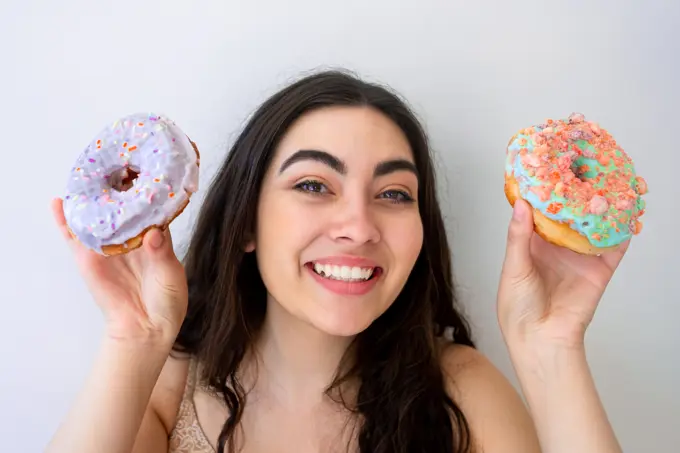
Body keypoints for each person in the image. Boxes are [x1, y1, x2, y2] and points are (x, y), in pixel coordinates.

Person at [46, 70, 627, 453]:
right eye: (314, 185)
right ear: (246, 221)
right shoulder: (168, 390)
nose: (358, 226)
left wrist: (551, 350)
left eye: (395, 194)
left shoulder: (463, 394)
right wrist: (132, 341)